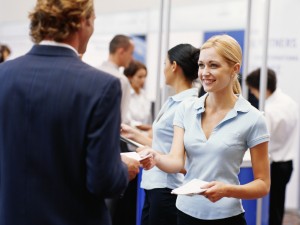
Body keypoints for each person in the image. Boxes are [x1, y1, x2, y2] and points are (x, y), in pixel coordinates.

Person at [0, 1, 139, 225]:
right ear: (83, 21)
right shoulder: (101, 86)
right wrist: (123, 168)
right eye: (93, 22)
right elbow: (103, 181)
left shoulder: (3, 74)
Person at [139, 34, 270, 225]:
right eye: (201, 65)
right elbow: (176, 162)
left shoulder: (253, 118)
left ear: (235, 69)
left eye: (213, 65)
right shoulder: (186, 109)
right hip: (184, 213)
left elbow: (263, 184)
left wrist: (227, 190)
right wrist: (156, 157)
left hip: (227, 218)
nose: (204, 72)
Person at [121, 43, 200, 225]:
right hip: (154, 185)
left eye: (165, 63)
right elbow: (161, 144)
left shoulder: (189, 104)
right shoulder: (173, 101)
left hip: (167, 187)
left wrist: (154, 156)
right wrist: (133, 133)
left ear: (174, 66)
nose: (163, 69)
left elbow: (185, 159)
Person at [246, 68, 299, 225]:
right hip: (287, 162)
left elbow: (262, 141)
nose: (253, 93)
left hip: (274, 165)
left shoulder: (268, 111)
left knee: (269, 210)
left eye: (252, 90)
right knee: (277, 206)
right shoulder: (290, 102)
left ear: (262, 88)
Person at [100, 34, 134, 124]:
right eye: (131, 53)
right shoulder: (121, 80)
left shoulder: (92, 73)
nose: (132, 58)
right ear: (121, 52)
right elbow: (122, 119)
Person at [124, 59, 152, 133]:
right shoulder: (125, 95)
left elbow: (148, 119)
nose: (143, 80)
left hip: (144, 136)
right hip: (128, 137)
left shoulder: (144, 95)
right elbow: (127, 121)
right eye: (140, 77)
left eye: (144, 77)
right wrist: (148, 127)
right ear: (130, 77)